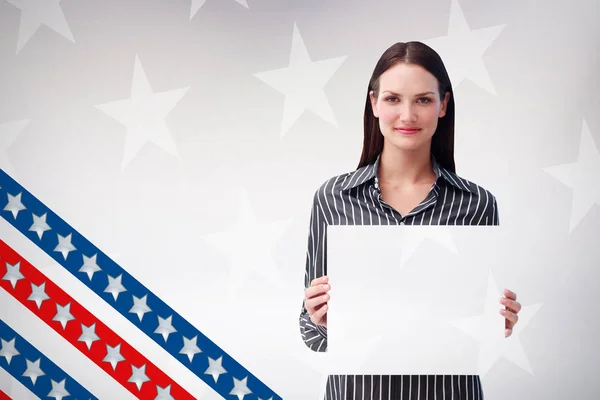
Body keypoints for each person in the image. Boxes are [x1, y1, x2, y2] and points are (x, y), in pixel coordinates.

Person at [298, 41, 522, 400]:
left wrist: (500, 322)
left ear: (443, 105)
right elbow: (312, 338)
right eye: (392, 99)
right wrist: (318, 318)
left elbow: (479, 333)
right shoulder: (333, 199)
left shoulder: (477, 205)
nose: (407, 116)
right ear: (373, 103)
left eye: (423, 100)